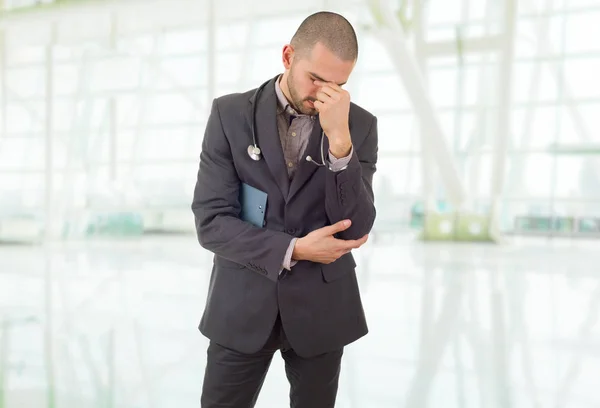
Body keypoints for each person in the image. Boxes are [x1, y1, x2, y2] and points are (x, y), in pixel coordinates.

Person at [191, 11, 378, 408]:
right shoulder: (230, 115)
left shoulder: (357, 125)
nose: (325, 95)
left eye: (339, 85)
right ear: (288, 55)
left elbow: (356, 227)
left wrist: (340, 143)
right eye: (316, 79)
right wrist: (294, 250)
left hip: (322, 310)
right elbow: (211, 223)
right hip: (241, 303)